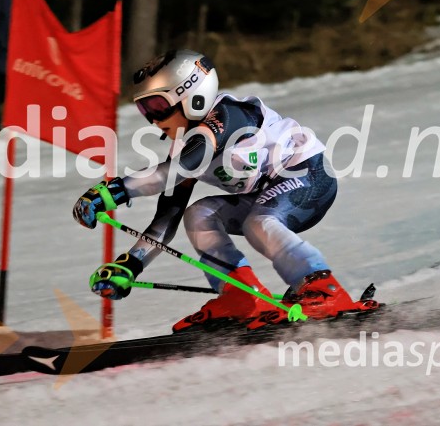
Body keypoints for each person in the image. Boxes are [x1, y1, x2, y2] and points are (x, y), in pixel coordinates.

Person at [73, 49, 376, 332]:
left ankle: (323, 288)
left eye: (158, 106)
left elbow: (173, 172)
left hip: (310, 180)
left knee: (258, 221)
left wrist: (114, 191)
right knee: (198, 214)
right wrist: (131, 264)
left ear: (192, 97)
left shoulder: (228, 117)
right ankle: (240, 297)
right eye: (144, 109)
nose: (152, 119)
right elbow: (166, 219)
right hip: (266, 196)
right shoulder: (186, 145)